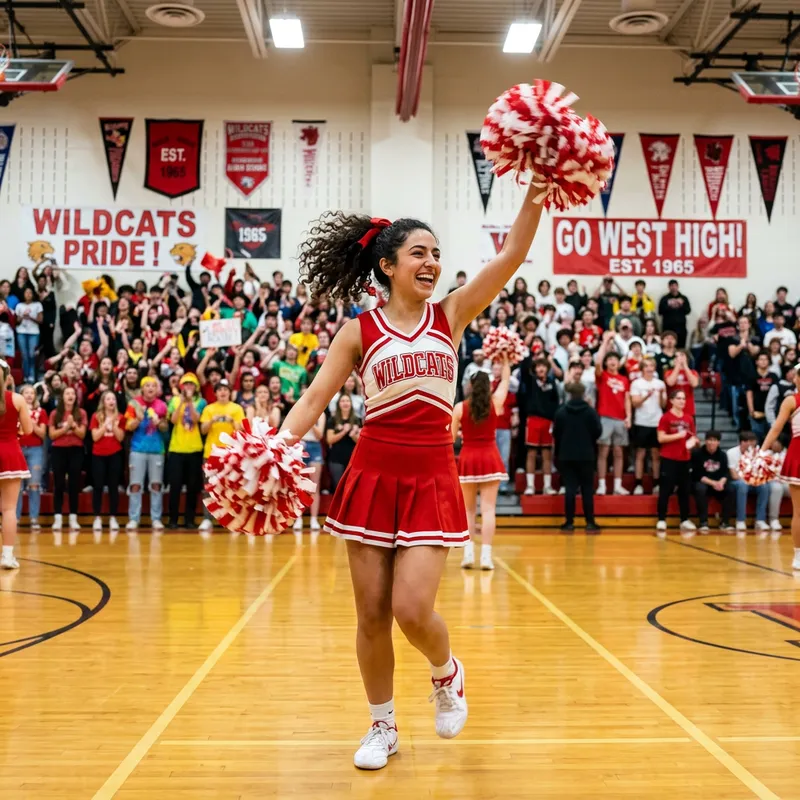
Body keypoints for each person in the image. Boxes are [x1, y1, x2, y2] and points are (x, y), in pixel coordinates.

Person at [278, 189, 542, 769]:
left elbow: (513, 254)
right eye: (419, 253)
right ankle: (383, 726)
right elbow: (314, 399)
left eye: (436, 254)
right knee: (372, 614)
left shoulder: (451, 314)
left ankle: (447, 673)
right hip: (373, 474)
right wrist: (274, 450)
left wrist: (537, 190)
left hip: (430, 474)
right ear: (388, 264)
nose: (431, 263)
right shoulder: (359, 331)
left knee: (412, 608)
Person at [452, 358, 510, 570]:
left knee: (468, 511)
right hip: (490, 458)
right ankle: (486, 557)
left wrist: (463, 432)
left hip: (468, 458)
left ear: (471, 385)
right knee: (488, 510)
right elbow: (506, 380)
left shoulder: (459, 408)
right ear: (489, 386)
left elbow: (450, 439)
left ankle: (468, 554)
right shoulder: (496, 403)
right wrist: (506, 359)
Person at [761, 369, 800, 569]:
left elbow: (776, 428)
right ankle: (798, 555)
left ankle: (798, 556)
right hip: (798, 454)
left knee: (799, 512)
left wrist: (762, 451)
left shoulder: (791, 400)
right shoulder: (791, 400)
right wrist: (762, 452)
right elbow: (776, 428)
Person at [553, 382, 602, 533]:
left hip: (566, 455)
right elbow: (598, 431)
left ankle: (569, 522)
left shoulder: (561, 412)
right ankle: (590, 522)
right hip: (586, 455)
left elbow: (556, 433)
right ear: (583, 394)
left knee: (570, 489)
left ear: (569, 394)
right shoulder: (590, 412)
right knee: (587, 489)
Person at [199, 379, 245, 532]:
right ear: (215, 393)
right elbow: (203, 430)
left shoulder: (237, 408)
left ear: (230, 392)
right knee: (209, 487)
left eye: (225, 389)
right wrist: (212, 421)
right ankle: (207, 519)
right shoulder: (209, 409)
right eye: (219, 390)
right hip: (211, 453)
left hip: (231, 454)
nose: (223, 392)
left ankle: (233, 519)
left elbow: (242, 431)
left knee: (232, 487)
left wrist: (232, 422)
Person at [124, 377, 169, 532]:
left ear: (157, 390)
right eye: (147, 386)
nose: (150, 388)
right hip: (137, 449)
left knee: (156, 485)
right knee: (135, 485)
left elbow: (165, 427)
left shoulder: (162, 405)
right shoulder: (134, 403)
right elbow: (128, 426)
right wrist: (138, 419)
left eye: (153, 386)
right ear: (142, 388)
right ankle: (133, 518)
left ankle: (156, 519)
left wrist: (159, 423)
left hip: (157, 449)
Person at [0, 361, 33, 569]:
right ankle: (7, 556)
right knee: (9, 509)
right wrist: (16, 430)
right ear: (8, 377)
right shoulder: (17, 399)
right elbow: (28, 430)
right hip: (11, 454)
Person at [167, 373, 206, 529]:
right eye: (186, 384)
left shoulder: (201, 402)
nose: (189, 387)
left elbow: (196, 419)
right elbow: (173, 420)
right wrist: (182, 402)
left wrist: (189, 403)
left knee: (192, 486)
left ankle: (189, 519)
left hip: (194, 448)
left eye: (191, 384)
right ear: (182, 387)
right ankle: (173, 519)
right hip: (176, 448)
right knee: (175, 485)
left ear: (196, 387)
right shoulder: (174, 400)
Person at [656, 389, 697, 535]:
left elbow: (692, 436)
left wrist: (692, 442)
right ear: (672, 400)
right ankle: (662, 519)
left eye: (684, 399)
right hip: (669, 458)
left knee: (685, 491)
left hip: (684, 459)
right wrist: (678, 436)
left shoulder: (689, 418)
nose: (682, 401)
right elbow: (661, 438)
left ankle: (684, 519)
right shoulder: (665, 418)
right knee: (665, 490)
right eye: (679, 398)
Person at [595, 331, 632, 496]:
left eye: (615, 359)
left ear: (619, 362)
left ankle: (618, 485)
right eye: (609, 359)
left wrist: (629, 416)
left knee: (618, 452)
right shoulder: (602, 376)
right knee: (603, 451)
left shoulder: (624, 379)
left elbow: (627, 399)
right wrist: (605, 342)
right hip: (605, 417)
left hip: (620, 418)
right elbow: (597, 362)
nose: (612, 362)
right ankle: (602, 485)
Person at [48, 385, 87, 531]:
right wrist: (66, 428)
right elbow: (52, 435)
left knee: (73, 484)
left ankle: (73, 517)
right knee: (58, 484)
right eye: (67, 394)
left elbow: (82, 434)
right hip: (58, 450)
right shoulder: (55, 414)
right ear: (62, 397)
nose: (70, 396)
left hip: (76, 450)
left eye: (73, 394)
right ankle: (57, 517)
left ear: (76, 397)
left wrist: (73, 426)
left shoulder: (81, 413)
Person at [520, 357, 559, 496]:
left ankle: (547, 486)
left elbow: (556, 402)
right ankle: (530, 485)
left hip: (548, 422)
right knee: (531, 453)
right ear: (534, 369)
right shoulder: (530, 381)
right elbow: (524, 368)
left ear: (547, 369)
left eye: (543, 366)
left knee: (547, 454)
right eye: (538, 366)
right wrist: (530, 354)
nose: (541, 368)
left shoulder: (552, 382)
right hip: (533, 420)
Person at [89, 390, 126, 532]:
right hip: (98, 455)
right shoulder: (96, 416)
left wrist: (114, 425)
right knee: (98, 486)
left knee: (113, 486)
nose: (111, 401)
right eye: (108, 399)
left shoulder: (120, 417)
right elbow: (95, 437)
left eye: (113, 399)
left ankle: (113, 517)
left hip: (115, 454)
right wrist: (105, 424)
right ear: (103, 402)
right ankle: (97, 517)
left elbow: (120, 438)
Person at [629, 358, 666, 495]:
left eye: (652, 366)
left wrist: (660, 394)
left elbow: (663, 405)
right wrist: (647, 396)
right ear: (642, 369)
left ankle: (656, 483)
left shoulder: (660, 383)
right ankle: (638, 483)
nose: (649, 368)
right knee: (641, 453)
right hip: (641, 422)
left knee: (656, 454)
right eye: (646, 366)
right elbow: (635, 403)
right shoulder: (636, 383)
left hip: (657, 422)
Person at [16, 384, 47, 531]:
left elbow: (42, 434)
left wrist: (31, 422)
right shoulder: (16, 411)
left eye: (32, 393)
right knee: (17, 486)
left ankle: (34, 518)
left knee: (34, 484)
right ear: (21, 395)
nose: (29, 395)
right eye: (26, 393)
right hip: (18, 448)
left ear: (35, 396)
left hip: (35, 449)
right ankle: (14, 518)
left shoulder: (41, 412)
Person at [692, 430, 734, 533]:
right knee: (700, 488)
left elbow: (725, 473)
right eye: (709, 440)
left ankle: (725, 522)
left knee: (731, 489)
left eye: (714, 440)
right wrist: (713, 483)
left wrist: (721, 482)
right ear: (705, 441)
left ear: (718, 442)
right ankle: (703, 522)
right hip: (703, 482)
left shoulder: (722, 455)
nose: (712, 442)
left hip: (718, 483)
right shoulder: (697, 454)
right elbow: (697, 474)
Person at [727, 431, 770, 533]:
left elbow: (760, 471)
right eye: (748, 441)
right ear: (741, 442)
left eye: (753, 442)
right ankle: (740, 520)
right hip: (737, 481)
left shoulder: (758, 453)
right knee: (743, 485)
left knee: (764, 485)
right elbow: (734, 475)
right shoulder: (731, 452)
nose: (751, 444)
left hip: (752, 480)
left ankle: (760, 520)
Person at [294, 410, 326, 533]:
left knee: (314, 485)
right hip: (300, 445)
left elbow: (319, 435)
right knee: (298, 485)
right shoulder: (299, 411)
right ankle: (298, 518)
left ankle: (314, 519)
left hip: (315, 447)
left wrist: (311, 421)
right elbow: (295, 431)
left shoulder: (321, 414)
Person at [326, 393, 361, 492]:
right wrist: (343, 432)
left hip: (353, 460)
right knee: (339, 489)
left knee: (353, 490)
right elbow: (329, 440)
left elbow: (360, 442)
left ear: (351, 403)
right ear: (338, 404)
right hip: (336, 459)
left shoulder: (357, 420)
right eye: (342, 401)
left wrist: (353, 434)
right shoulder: (332, 420)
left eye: (347, 401)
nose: (345, 403)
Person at [746, 350, 778, 442]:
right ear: (756, 362)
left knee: (771, 439)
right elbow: (749, 393)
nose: (763, 361)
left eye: (765, 359)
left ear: (769, 361)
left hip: (771, 412)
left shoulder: (774, 376)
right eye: (761, 359)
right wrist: (751, 410)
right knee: (756, 438)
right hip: (757, 412)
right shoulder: (752, 376)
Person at [659, 280, 691, 347]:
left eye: (675, 285)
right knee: (667, 347)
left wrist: (681, 304)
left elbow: (688, 311)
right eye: (671, 286)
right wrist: (670, 304)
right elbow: (660, 311)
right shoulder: (664, 299)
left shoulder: (684, 298)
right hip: (668, 328)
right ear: (669, 287)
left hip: (681, 328)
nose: (673, 287)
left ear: (678, 286)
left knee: (681, 347)